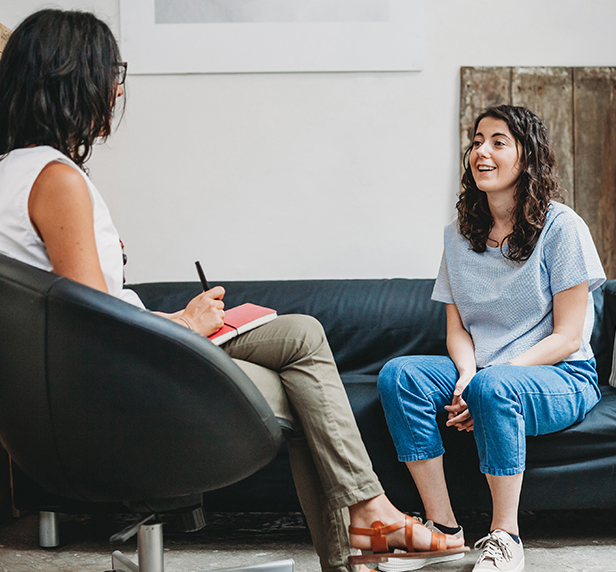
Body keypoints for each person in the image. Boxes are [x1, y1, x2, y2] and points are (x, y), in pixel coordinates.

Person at [0, 10, 464, 572]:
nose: (117, 87)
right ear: (71, 78)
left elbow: (84, 313)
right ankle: (365, 530)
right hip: (116, 396)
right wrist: (186, 327)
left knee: (300, 333)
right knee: (301, 386)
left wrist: (177, 319)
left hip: (88, 389)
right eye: (111, 71)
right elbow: (90, 331)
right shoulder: (57, 180)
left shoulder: (15, 173)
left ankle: (368, 525)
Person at [377, 104, 605, 572]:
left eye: (499, 141)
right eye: (478, 140)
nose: (482, 151)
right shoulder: (459, 236)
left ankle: (506, 536)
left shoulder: (563, 228)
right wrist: (465, 378)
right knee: (400, 375)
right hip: (485, 370)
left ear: (528, 157)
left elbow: (566, 337)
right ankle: (443, 532)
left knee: (492, 386)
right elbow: (456, 328)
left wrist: (489, 379)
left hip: (560, 374)